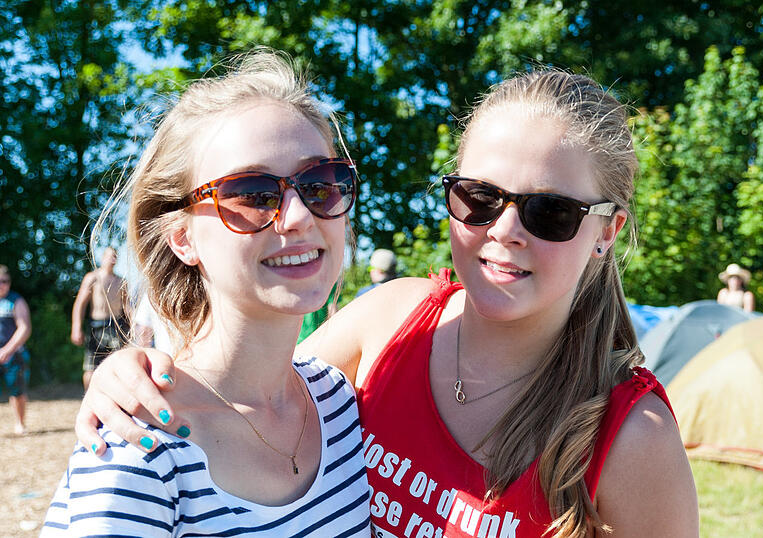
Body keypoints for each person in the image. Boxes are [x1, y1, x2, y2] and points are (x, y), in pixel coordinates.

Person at [76, 70, 699, 536]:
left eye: (550, 212)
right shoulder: (390, 320)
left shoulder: (630, 438)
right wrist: (131, 373)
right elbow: (249, 395)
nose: (506, 230)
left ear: (607, 231)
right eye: (480, 198)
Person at [42, 49, 371, 536]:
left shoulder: (341, 403)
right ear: (184, 238)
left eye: (320, 184)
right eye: (253, 193)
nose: (300, 217)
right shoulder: (139, 446)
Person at [71, 246, 130, 389]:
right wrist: (76, 327)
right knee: (91, 367)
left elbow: (127, 307)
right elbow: (80, 303)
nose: (112, 259)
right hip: (97, 325)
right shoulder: (93, 277)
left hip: (116, 325)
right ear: (103, 258)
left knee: (118, 366)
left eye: (115, 256)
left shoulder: (121, 281)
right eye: (110, 256)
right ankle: (88, 398)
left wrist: (134, 327)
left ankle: (115, 400)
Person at [0, 265, 31, 435]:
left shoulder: (16, 301)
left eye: (4, 281)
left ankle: (20, 423)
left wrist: (7, 350)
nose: (1, 285)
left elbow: (24, 328)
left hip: (14, 354)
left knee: (17, 391)